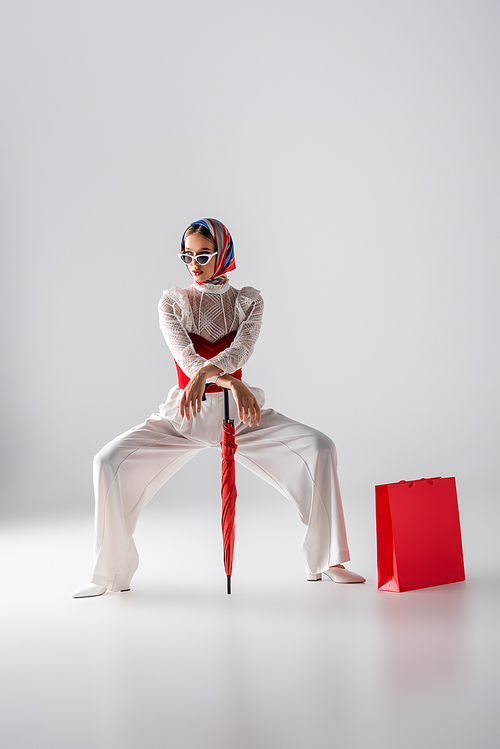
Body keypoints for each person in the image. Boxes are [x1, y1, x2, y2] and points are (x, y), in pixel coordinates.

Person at [73, 218, 365, 598]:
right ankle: (109, 574)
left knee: (320, 447)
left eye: (203, 255)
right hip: (184, 417)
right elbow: (186, 358)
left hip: (242, 417)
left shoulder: (249, 300)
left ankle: (328, 561)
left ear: (224, 255)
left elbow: (241, 350)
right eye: (186, 255)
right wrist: (229, 380)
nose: (193, 263)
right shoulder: (172, 301)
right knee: (107, 462)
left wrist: (224, 379)